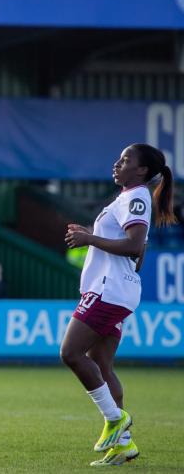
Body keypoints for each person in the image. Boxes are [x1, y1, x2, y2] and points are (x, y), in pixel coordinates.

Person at [62, 143, 175, 467]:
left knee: (70, 353)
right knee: (100, 362)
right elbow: (139, 255)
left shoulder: (136, 196)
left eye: (125, 160)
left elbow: (135, 244)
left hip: (109, 292)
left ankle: (115, 419)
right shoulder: (127, 199)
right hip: (114, 290)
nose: (116, 163)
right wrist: (93, 236)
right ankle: (123, 446)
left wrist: (90, 239)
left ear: (141, 171)